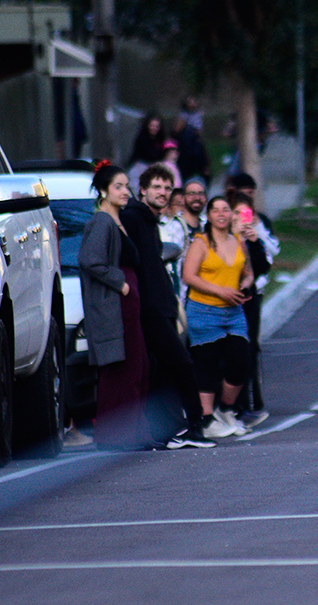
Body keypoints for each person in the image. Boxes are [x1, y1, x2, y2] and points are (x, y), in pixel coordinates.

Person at [121, 164, 216, 448]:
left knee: (162, 371)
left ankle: (169, 430)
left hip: (162, 306)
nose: (162, 193)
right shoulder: (133, 219)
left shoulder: (151, 221)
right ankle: (194, 427)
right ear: (142, 190)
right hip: (149, 309)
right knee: (182, 364)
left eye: (167, 188)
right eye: (156, 187)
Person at [77, 162, 152, 450]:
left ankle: (136, 433)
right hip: (115, 307)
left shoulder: (118, 221)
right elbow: (90, 260)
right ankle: (115, 437)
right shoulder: (102, 222)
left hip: (129, 306)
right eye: (118, 186)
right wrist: (121, 284)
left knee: (138, 368)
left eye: (126, 186)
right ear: (103, 191)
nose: (124, 191)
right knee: (121, 371)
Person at [182, 195, 256, 439]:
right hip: (204, 311)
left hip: (233, 312)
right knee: (207, 364)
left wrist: (244, 287)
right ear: (209, 216)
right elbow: (188, 276)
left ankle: (225, 409)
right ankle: (206, 419)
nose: (222, 214)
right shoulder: (201, 243)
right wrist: (220, 291)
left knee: (240, 360)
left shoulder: (238, 241)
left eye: (226, 210)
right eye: (216, 210)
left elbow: (248, 273)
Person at [228, 191, 273, 428]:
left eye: (244, 213)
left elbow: (263, 267)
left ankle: (251, 404)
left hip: (249, 299)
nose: (239, 218)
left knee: (249, 349)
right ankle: (233, 407)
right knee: (232, 353)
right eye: (235, 212)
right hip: (227, 301)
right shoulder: (221, 238)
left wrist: (254, 242)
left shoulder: (252, 238)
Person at [127, 112, 165, 190]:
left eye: (157, 126)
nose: (154, 128)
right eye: (152, 126)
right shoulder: (142, 138)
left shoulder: (160, 140)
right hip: (141, 166)